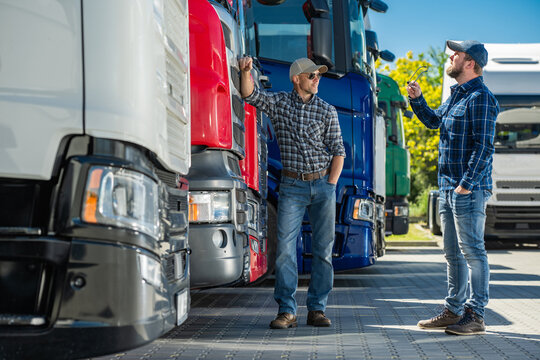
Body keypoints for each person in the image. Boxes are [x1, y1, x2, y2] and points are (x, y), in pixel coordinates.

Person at [239, 56, 346, 329]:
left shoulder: (327, 110)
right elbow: (250, 94)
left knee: (322, 251)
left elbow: (338, 152)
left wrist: (330, 185)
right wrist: (246, 71)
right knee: (286, 251)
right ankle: (287, 310)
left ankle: (317, 309)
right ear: (296, 78)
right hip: (291, 187)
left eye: (318, 76)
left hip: (322, 185)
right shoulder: (279, 103)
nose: (317, 79)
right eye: (312, 76)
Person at [407, 40, 499, 335]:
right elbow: (435, 122)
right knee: (453, 255)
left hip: (467, 190)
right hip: (447, 188)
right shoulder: (456, 96)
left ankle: (476, 315)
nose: (451, 57)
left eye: (456, 54)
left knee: (473, 252)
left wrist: (465, 186)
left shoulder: (481, 98)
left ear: (470, 62)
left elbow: (484, 147)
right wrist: (418, 99)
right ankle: (453, 310)